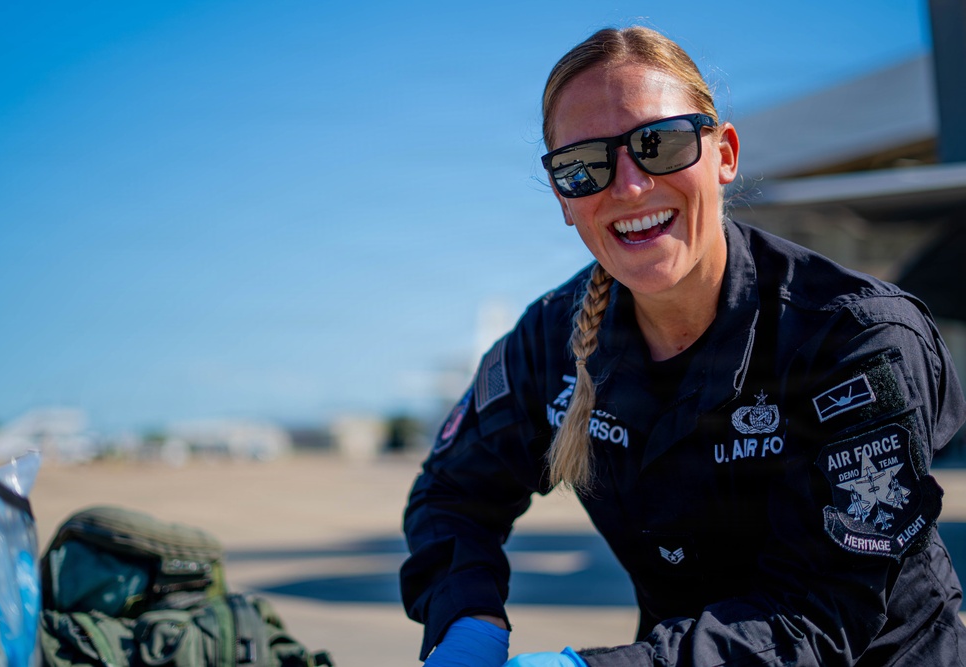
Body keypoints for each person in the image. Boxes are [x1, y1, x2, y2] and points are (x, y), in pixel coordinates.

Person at [401, 25, 966, 666]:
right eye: (583, 166)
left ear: (723, 154)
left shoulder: (855, 339)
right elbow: (451, 495)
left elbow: (821, 611)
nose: (630, 185)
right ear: (563, 196)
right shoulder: (549, 341)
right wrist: (466, 622)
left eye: (659, 144)